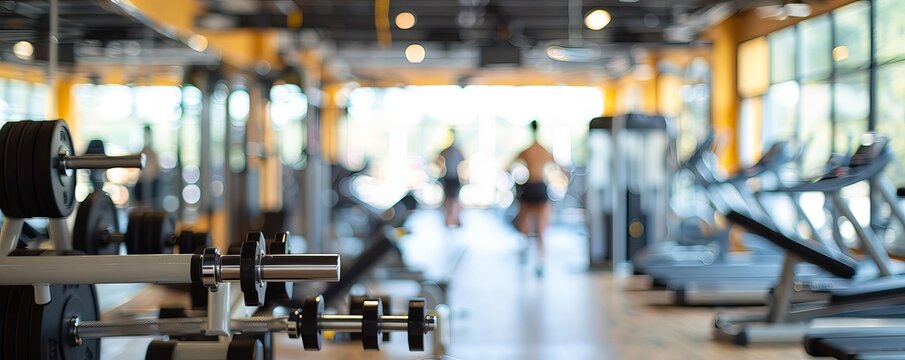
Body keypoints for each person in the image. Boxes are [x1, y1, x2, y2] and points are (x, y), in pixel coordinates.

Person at [512, 120, 559, 277]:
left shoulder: (527, 150)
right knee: (541, 228)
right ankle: (540, 261)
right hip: (540, 188)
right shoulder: (544, 150)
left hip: (529, 187)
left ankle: (526, 251)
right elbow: (560, 166)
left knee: (524, 224)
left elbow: (510, 164)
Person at [435, 129, 465, 227]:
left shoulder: (457, 151)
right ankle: (448, 219)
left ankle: (455, 218)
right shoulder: (446, 151)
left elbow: (463, 162)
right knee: (448, 199)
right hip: (448, 178)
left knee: (455, 199)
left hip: (454, 178)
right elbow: (437, 160)